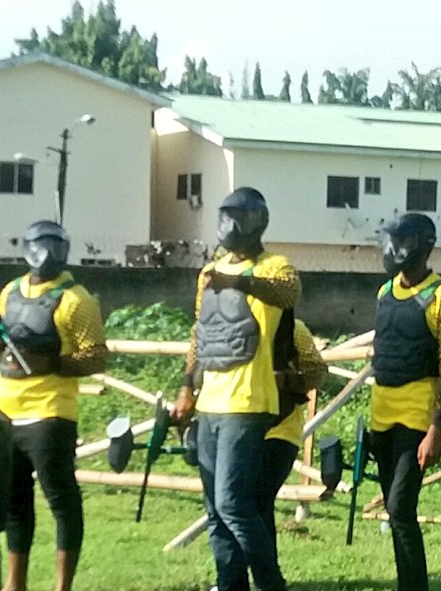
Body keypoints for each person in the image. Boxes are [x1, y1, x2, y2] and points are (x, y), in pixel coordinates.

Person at [171, 187, 300, 591]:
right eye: (224, 216)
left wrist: (240, 282)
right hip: (209, 401)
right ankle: (229, 584)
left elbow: (288, 294)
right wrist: (186, 390)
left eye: (238, 216)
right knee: (214, 509)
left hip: (247, 403)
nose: (230, 225)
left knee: (233, 503)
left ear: (258, 220)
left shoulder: (276, 267)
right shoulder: (209, 272)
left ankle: (270, 583)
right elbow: (201, 334)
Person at [0, 220, 109, 591]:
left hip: (50, 410)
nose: (47, 254)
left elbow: (96, 357)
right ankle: (14, 583)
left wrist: (53, 363)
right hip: (5, 407)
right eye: (40, 245)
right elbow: (0, 347)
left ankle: (61, 586)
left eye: (55, 245)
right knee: (14, 500)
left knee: (60, 498)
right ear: (26, 248)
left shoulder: (76, 299)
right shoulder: (9, 292)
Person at [370, 213, 441, 591]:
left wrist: (435, 429)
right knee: (395, 514)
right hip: (381, 417)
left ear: (424, 246)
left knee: (400, 508)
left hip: (417, 419)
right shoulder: (384, 292)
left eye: (401, 243)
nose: (393, 251)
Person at [231, 317, 328, 591]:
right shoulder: (224, 323)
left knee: (256, 502)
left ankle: (268, 581)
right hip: (235, 425)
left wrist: (284, 379)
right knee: (235, 505)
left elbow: (317, 372)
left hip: (279, 428)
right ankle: (235, 579)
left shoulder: (293, 328)